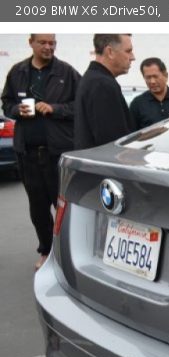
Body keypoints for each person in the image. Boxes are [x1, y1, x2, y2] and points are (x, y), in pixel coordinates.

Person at [1, 34, 81, 270]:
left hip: (58, 152)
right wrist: (16, 109)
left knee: (64, 206)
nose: (48, 47)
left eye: (52, 43)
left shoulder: (67, 72)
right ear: (31, 43)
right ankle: (46, 250)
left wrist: (55, 108)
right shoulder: (17, 72)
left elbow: (81, 104)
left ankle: (70, 252)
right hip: (27, 152)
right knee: (37, 207)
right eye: (43, 43)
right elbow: (6, 103)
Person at [74, 34, 135, 150]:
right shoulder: (102, 85)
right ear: (110, 52)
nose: (132, 57)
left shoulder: (92, 79)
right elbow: (112, 143)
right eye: (128, 51)